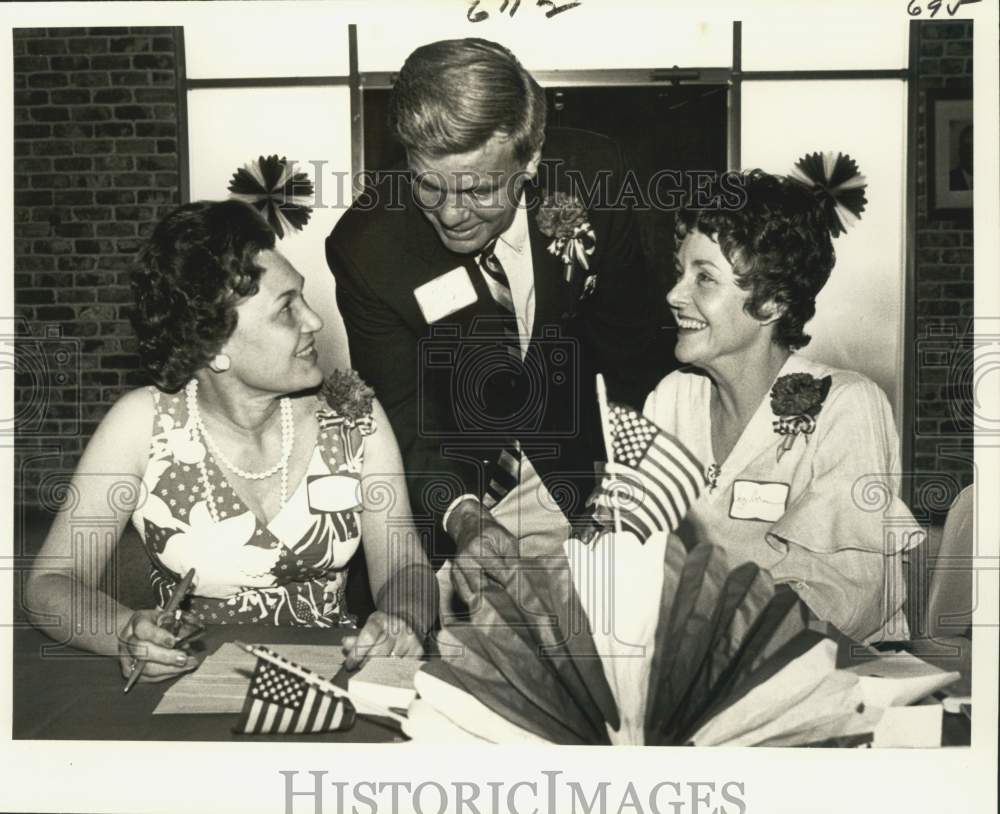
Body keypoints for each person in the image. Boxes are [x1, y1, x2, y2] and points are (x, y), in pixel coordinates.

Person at [25, 200, 437, 684]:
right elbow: (49, 584)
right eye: (286, 310)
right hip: (185, 683)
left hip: (331, 682)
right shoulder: (142, 424)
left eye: (301, 297)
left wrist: (403, 619)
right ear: (216, 349)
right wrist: (124, 631)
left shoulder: (354, 417)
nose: (314, 321)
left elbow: (406, 564)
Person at [325, 38, 672, 571]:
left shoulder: (594, 176)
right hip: (458, 492)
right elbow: (403, 411)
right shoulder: (368, 246)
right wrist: (464, 516)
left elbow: (632, 348)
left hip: (593, 477)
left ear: (530, 158)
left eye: (480, 189)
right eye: (428, 186)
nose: (452, 214)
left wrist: (625, 486)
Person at [638, 168, 923, 642]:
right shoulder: (671, 399)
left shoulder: (845, 406)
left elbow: (846, 595)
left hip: (833, 681)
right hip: (694, 676)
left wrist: (710, 632)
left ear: (771, 303)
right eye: (679, 271)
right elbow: (637, 550)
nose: (674, 294)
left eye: (704, 278)